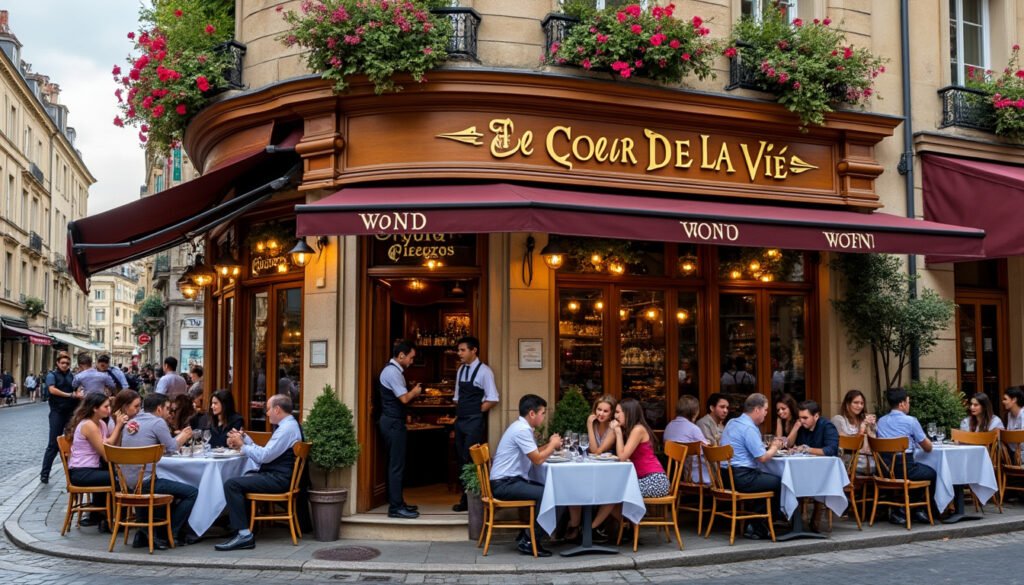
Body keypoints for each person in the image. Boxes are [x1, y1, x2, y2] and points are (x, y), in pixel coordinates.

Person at [215, 394, 304, 551]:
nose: (266, 413)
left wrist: (242, 445)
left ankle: (244, 534)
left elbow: (264, 457)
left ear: (277, 409)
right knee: (243, 478)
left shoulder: (286, 429)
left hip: (279, 479)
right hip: (281, 476)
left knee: (232, 484)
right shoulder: (288, 425)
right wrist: (246, 439)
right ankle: (244, 527)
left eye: (268, 409)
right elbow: (267, 453)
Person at [121, 393, 199, 549]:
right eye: (167, 408)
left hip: (126, 484)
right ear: (159, 408)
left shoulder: (131, 422)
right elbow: (171, 448)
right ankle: (169, 533)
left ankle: (144, 533)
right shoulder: (158, 422)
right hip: (145, 483)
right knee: (191, 492)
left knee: (160, 482)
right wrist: (184, 435)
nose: (169, 412)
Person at [489, 394, 562, 557]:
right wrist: (552, 444)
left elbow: (535, 453)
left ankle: (528, 535)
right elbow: (537, 460)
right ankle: (531, 541)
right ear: (532, 414)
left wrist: (550, 446)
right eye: (543, 413)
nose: (544, 417)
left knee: (549, 491)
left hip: (508, 481)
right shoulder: (521, 430)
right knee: (553, 494)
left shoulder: (520, 427)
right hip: (504, 484)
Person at [720, 393, 784, 540]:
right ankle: (761, 523)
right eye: (765, 410)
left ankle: (757, 523)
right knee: (779, 481)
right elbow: (762, 458)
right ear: (757, 410)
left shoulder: (732, 422)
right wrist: (774, 447)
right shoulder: (749, 428)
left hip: (724, 477)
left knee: (765, 480)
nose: (766, 413)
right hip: (741, 478)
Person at [65, 393, 128, 531]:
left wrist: (120, 429)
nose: (109, 410)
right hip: (81, 472)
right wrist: (118, 426)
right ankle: (114, 520)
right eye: (106, 407)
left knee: (118, 476)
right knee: (120, 480)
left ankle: (108, 518)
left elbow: (111, 447)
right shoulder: (89, 425)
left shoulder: (100, 424)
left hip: (93, 469)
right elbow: (106, 454)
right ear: (94, 408)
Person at [450, 336, 499, 512]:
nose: (459, 353)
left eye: (462, 350)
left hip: (474, 421)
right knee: (460, 458)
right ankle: (466, 498)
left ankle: (471, 500)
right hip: (460, 421)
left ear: (474, 350)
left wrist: (476, 412)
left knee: (471, 459)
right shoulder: (460, 370)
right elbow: (456, 397)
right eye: (458, 350)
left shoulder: (485, 371)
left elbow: (493, 398)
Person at [876, 387, 937, 526]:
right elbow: (928, 448)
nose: (909, 405)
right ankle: (921, 509)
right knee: (932, 473)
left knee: (919, 471)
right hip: (904, 469)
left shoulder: (881, 421)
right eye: (908, 402)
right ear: (902, 404)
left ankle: (904, 510)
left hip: (885, 470)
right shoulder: (911, 421)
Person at [377, 340, 423, 519]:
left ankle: (398, 502)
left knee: (396, 464)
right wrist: (415, 391)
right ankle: (395, 508)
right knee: (396, 466)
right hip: (393, 423)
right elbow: (404, 398)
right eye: (411, 357)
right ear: (401, 355)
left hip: (393, 421)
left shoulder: (394, 371)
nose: (412, 361)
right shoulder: (392, 372)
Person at [40, 352, 82, 484]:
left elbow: (77, 390)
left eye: (67, 363)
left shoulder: (72, 376)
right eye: (62, 363)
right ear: (57, 363)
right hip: (57, 412)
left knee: (72, 443)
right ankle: (45, 474)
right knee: (53, 444)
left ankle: (72, 474)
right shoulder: (52, 375)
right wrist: (70, 395)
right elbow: (52, 390)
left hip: (71, 413)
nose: (65, 365)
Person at [664, 395, 710, 483]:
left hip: (674, 475)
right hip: (694, 476)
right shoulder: (693, 429)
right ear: (695, 412)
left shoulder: (669, 426)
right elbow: (707, 450)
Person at [832, 389, 877, 471]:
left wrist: (871, 428)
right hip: (849, 465)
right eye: (855, 402)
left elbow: (875, 444)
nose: (859, 406)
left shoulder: (864, 419)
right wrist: (862, 429)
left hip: (871, 464)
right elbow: (847, 443)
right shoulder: (838, 419)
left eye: (862, 403)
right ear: (847, 404)